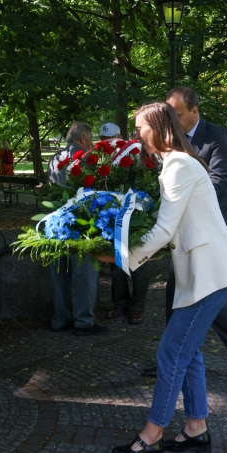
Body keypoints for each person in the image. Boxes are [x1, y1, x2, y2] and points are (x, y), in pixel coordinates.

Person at [110, 102, 227, 453]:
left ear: (157, 128)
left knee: (171, 352)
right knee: (189, 351)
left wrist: (121, 257)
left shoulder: (179, 166)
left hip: (210, 274)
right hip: (204, 273)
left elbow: (163, 231)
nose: (137, 135)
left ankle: (152, 435)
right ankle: (196, 428)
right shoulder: (177, 163)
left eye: (141, 128)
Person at [140, 87, 227, 396]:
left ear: (194, 111)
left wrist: (180, 198)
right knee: (181, 291)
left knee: (203, 294)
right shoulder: (169, 144)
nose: (171, 119)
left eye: (177, 114)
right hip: (185, 226)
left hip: (213, 225)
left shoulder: (216, 134)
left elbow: (220, 181)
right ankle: (175, 356)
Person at [47, 122, 109, 334]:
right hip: (81, 224)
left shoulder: (54, 158)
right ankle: (83, 322)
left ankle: (60, 319)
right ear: (83, 138)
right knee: (84, 273)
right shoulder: (84, 158)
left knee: (59, 274)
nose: (91, 143)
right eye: (90, 138)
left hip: (56, 223)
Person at [101, 122, 148, 324]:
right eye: (104, 140)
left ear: (120, 137)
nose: (108, 143)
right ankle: (120, 304)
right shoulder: (101, 157)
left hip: (136, 212)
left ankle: (137, 308)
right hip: (112, 213)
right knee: (116, 264)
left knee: (139, 261)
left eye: (111, 139)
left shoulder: (134, 153)